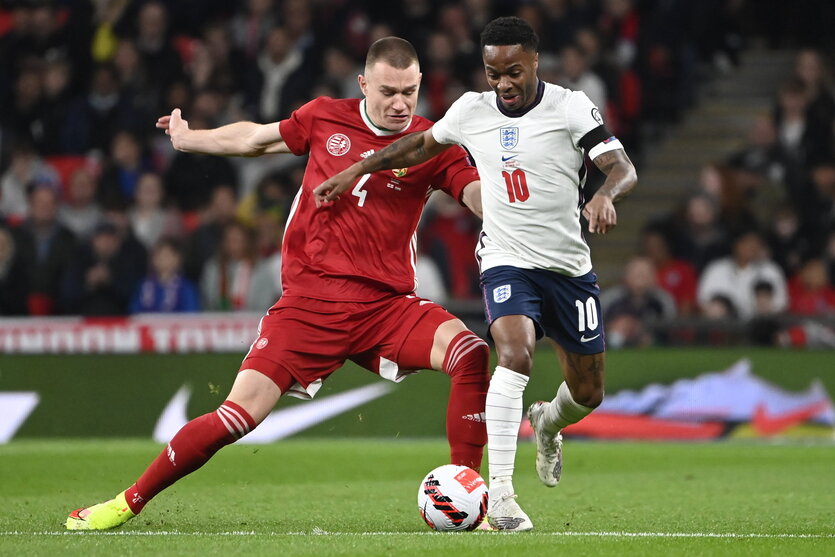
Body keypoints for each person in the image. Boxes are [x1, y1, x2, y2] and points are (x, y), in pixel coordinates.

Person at [66, 36, 489, 531]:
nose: (400, 103)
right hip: (309, 306)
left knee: (471, 354)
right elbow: (255, 139)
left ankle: (469, 501)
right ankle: (126, 502)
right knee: (236, 416)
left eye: (410, 92)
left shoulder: (432, 143)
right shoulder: (325, 117)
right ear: (363, 85)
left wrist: (513, 208)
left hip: (385, 307)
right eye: (388, 91)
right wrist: (188, 139)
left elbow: (475, 194)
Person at [315, 17, 638, 531]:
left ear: (534, 61)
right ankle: (503, 497)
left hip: (569, 268)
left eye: (513, 71)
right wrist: (358, 168)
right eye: (493, 73)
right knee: (513, 354)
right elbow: (418, 146)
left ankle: (548, 423)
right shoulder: (471, 110)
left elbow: (623, 167)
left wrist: (603, 194)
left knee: (588, 392)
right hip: (506, 258)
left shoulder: (570, 106)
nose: (503, 83)